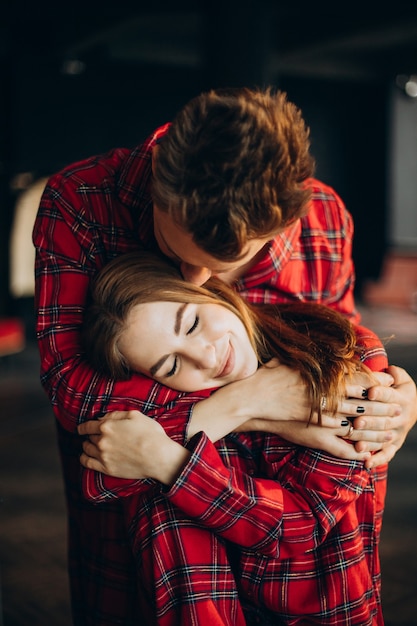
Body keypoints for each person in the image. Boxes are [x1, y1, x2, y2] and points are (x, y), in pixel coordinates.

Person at [33, 86, 417, 625]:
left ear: (282, 227)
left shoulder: (324, 217)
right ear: (157, 189)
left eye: (222, 265)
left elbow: (345, 349)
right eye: (172, 253)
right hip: (158, 562)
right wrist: (253, 402)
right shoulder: (81, 200)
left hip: (313, 576)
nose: (196, 280)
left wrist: (395, 406)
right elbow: (78, 397)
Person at [79, 249, 387, 625]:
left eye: (191, 324)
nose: (205, 359)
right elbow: (102, 476)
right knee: (157, 502)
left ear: (210, 289)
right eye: (172, 364)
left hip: (322, 608)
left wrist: (173, 465)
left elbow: (300, 527)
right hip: (214, 607)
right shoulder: (175, 406)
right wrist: (242, 406)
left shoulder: (345, 350)